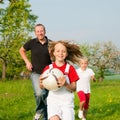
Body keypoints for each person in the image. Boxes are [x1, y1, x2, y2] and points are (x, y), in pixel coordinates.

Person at [40, 40, 82, 120]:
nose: (60, 53)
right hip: (53, 100)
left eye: (63, 51)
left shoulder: (70, 68)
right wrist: (41, 83)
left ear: (66, 54)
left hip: (67, 101)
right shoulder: (48, 68)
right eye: (58, 51)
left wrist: (66, 84)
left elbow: (74, 88)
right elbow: (42, 86)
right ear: (54, 53)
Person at [19, 24, 52, 120]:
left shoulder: (51, 43)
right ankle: (39, 111)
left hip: (48, 74)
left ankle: (45, 117)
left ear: (45, 31)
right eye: (37, 31)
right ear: (35, 33)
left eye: (41, 31)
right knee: (40, 93)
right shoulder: (32, 42)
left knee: (47, 97)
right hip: (36, 73)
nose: (40, 33)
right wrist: (27, 62)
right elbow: (21, 50)